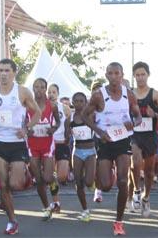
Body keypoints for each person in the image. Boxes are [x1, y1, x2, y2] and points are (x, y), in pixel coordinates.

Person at [0, 58, 41, 235]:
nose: (3, 74)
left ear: (14, 73)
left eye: (7, 70)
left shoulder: (22, 92)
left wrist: (26, 128)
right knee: (4, 184)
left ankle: (26, 175)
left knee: (16, 183)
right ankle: (12, 220)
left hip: (17, 144)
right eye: (0, 70)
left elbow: (36, 112)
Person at [83, 62, 142, 236]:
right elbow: (85, 116)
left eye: (117, 73)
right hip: (105, 142)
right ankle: (105, 175)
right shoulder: (98, 96)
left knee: (123, 182)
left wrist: (134, 123)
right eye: (110, 73)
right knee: (107, 185)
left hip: (123, 141)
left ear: (122, 75)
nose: (114, 77)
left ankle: (119, 222)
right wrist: (99, 131)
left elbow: (138, 115)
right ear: (106, 75)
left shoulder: (129, 95)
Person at [129, 61, 158, 217]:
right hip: (135, 134)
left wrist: (155, 115)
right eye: (137, 75)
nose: (140, 78)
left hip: (150, 135)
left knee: (149, 171)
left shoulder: (155, 94)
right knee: (134, 163)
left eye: (143, 74)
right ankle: (137, 191)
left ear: (148, 75)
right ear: (134, 76)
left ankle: (146, 197)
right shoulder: (129, 93)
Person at [26, 78, 60, 221]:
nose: (38, 90)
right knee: (39, 180)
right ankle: (46, 207)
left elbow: (58, 122)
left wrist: (53, 129)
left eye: (41, 87)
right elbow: (23, 123)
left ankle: (54, 182)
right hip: (32, 145)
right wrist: (28, 130)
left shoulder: (52, 105)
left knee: (47, 177)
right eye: (36, 87)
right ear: (32, 89)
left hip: (47, 144)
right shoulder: (27, 105)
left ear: (45, 89)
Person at [68, 92, 96, 222]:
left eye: (81, 101)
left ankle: (92, 181)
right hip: (77, 151)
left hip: (90, 151)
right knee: (78, 183)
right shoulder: (70, 118)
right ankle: (85, 210)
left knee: (89, 182)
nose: (78, 103)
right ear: (72, 103)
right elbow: (66, 135)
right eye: (76, 101)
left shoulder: (91, 115)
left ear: (86, 103)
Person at [48, 83, 71, 213]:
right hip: (49, 145)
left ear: (58, 94)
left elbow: (69, 125)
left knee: (62, 176)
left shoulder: (65, 108)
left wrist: (68, 134)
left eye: (53, 92)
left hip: (62, 144)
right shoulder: (43, 108)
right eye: (49, 92)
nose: (51, 94)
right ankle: (56, 202)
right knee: (51, 176)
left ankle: (54, 179)